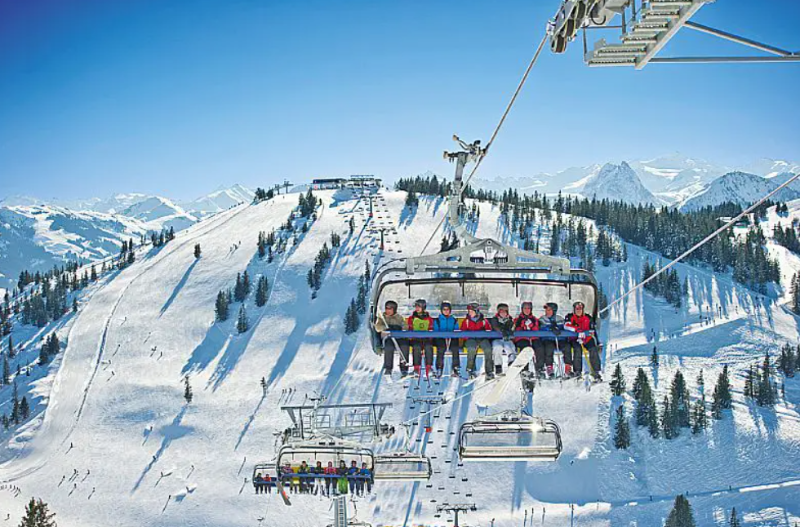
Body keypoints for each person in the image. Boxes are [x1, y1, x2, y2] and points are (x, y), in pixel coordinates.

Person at [565, 301, 602, 381]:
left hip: (586, 338)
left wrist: (597, 342)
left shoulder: (588, 317)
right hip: (575, 338)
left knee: (593, 349)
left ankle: (596, 371)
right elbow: (566, 326)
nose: (578, 310)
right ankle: (577, 371)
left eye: (580, 308)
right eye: (577, 308)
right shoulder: (570, 317)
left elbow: (592, 330)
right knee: (577, 349)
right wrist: (576, 330)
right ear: (574, 309)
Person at [374, 300, 410, 376]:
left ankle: (404, 368)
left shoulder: (399, 317)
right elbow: (377, 327)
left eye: (390, 308)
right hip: (388, 338)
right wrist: (385, 328)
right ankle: (388, 368)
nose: (388, 310)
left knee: (405, 346)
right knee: (389, 347)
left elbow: (405, 326)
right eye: (386, 308)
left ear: (394, 309)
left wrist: (399, 328)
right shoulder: (382, 318)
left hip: (399, 337)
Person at [460, 302, 494, 379]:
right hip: (470, 339)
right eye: (469, 312)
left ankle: (489, 371)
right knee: (472, 349)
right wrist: (467, 337)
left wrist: (485, 336)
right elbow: (462, 331)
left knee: (488, 349)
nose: (470, 313)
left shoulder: (484, 321)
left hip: (482, 338)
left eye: (471, 311)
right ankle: (470, 369)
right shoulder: (466, 321)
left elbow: (489, 330)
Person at [406, 299, 435, 377]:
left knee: (428, 347)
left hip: (426, 338)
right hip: (416, 338)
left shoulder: (429, 318)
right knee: (416, 347)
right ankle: (416, 368)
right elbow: (410, 328)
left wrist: (430, 337)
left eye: (419, 306)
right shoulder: (411, 318)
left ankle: (429, 367)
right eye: (416, 306)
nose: (417, 308)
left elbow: (431, 329)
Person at [433, 301, 460, 377]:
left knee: (455, 348)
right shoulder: (438, 320)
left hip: (451, 338)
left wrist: (452, 335)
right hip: (441, 338)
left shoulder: (454, 320)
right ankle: (439, 367)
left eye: (447, 309)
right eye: (444, 309)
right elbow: (436, 331)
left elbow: (456, 330)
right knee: (441, 348)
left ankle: (455, 367)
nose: (446, 311)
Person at [538, 302, 564, 379]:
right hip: (547, 339)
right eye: (546, 310)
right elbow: (540, 328)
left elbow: (564, 328)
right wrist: (550, 329)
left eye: (549, 310)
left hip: (558, 340)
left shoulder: (560, 319)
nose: (547, 311)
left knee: (567, 347)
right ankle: (549, 366)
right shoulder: (542, 319)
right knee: (549, 347)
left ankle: (567, 367)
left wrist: (558, 331)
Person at [513, 301, 541, 371]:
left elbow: (537, 329)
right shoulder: (518, 319)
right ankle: (525, 370)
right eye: (525, 308)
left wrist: (531, 325)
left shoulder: (534, 319)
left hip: (532, 338)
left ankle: (539, 368)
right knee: (525, 348)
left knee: (539, 347)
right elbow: (515, 329)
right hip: (522, 339)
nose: (527, 310)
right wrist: (523, 326)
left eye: (528, 308)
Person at [489, 303, 515, 375]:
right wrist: (502, 331)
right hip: (497, 339)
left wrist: (510, 331)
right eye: (501, 311)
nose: (503, 313)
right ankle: (498, 366)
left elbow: (512, 328)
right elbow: (495, 327)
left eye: (505, 311)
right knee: (497, 347)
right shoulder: (495, 319)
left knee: (509, 346)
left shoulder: (510, 320)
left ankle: (511, 361)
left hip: (507, 339)